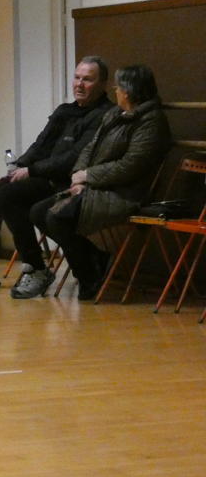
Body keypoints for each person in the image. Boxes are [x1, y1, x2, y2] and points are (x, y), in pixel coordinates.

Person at [0, 57, 114, 296]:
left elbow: (74, 158)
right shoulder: (64, 111)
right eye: (77, 77)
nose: (79, 84)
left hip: (66, 183)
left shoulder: (104, 115)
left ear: (102, 83)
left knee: (8, 196)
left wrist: (32, 171)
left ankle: (35, 268)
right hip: (40, 177)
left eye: (87, 79)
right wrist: (19, 166)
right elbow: (40, 145)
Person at [30, 64, 171, 300]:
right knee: (37, 212)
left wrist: (88, 176)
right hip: (96, 186)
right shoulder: (114, 114)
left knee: (57, 217)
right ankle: (96, 258)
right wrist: (79, 176)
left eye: (118, 87)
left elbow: (130, 166)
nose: (116, 91)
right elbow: (89, 148)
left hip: (125, 193)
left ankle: (89, 278)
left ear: (129, 91)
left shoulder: (151, 123)